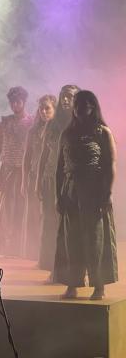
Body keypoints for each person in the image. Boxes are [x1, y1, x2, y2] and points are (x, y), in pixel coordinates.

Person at [53, 91, 118, 300]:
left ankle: (99, 286)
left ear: (92, 108)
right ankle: (72, 284)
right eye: (77, 106)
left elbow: (111, 165)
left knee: (95, 239)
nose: (80, 110)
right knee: (71, 240)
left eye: (85, 106)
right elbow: (60, 169)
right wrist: (58, 196)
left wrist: (107, 193)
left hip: (94, 191)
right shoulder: (67, 134)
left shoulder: (102, 132)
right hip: (70, 192)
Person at [37, 85, 79, 273]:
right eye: (63, 96)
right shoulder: (52, 125)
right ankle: (49, 263)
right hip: (50, 178)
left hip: (71, 180)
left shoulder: (82, 123)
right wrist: (37, 181)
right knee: (49, 221)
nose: (66, 100)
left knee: (69, 224)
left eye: (70, 96)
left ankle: (72, 267)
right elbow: (43, 155)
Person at [0, 86, 33, 257]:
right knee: (6, 209)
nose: (15, 105)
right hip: (7, 170)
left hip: (25, 171)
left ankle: (23, 246)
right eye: (12, 102)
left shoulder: (32, 122)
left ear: (24, 101)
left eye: (18, 102)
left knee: (23, 208)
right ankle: (7, 247)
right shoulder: (4, 123)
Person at [20, 94, 57, 259]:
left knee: (49, 215)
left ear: (54, 109)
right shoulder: (33, 131)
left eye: (47, 108)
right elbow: (26, 157)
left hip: (52, 177)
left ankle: (49, 252)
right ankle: (33, 252)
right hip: (34, 176)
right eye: (41, 109)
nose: (43, 112)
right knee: (33, 215)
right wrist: (23, 181)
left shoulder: (58, 130)